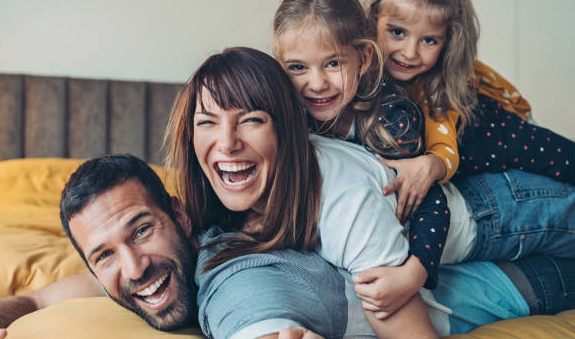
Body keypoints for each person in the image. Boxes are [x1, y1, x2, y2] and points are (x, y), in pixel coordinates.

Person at [165, 46, 575, 337]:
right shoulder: (217, 205)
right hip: (467, 267)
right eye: (207, 122)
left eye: (250, 120)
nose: (227, 142)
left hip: (493, 212)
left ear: (288, 128)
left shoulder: (341, 193)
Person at [0, 153, 573, 338]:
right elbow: (41, 298)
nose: (134, 267)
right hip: (522, 286)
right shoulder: (131, 277)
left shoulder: (225, 255)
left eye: (141, 230)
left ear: (179, 214)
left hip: (502, 241)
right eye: (104, 255)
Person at [272, 0, 450, 297]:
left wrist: (415, 274)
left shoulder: (393, 120)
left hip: (484, 160)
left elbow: (431, 200)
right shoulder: (288, 120)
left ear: (364, 58)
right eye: (298, 67)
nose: (317, 83)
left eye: (333, 63)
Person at [365, 0, 574, 194]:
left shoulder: (437, 87)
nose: (410, 52)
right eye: (398, 32)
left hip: (503, 116)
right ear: (373, 20)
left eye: (429, 40)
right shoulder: (363, 64)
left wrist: (433, 164)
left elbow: (444, 146)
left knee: (558, 157)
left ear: (449, 42)